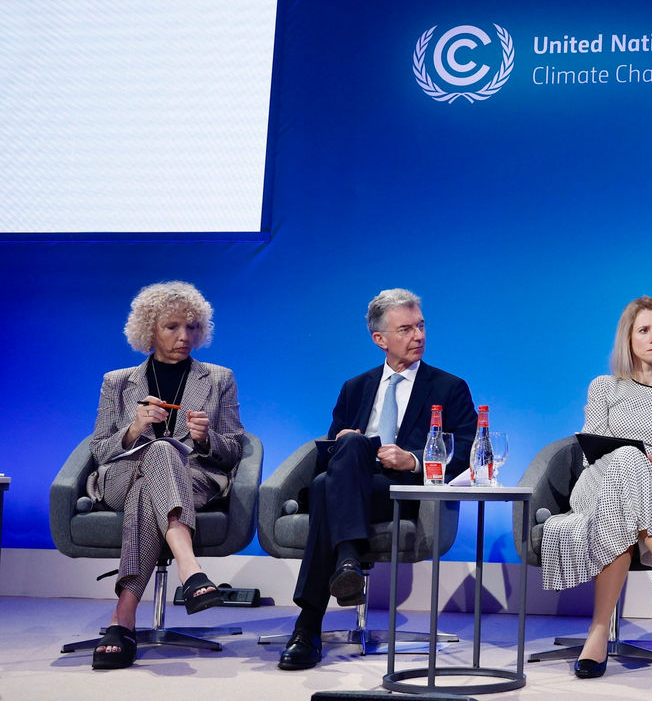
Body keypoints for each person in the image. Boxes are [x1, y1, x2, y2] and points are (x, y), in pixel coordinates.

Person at [278, 288, 478, 671]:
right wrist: (344, 445)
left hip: (403, 492)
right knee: (345, 452)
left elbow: (468, 452)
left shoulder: (449, 388)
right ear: (380, 339)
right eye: (405, 329)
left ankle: (307, 627)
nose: (418, 336)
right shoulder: (356, 387)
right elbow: (329, 452)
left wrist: (413, 461)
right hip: (354, 483)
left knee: (324, 489)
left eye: (421, 326)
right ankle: (346, 564)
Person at [539, 296, 652, 679]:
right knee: (625, 459)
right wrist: (648, 458)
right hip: (595, 484)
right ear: (628, 339)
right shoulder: (604, 386)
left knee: (622, 505)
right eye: (645, 330)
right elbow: (594, 451)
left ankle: (597, 635)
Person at [85, 281, 245, 670]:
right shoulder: (118, 382)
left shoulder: (218, 378)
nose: (184, 336)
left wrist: (207, 440)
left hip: (192, 478)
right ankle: (190, 571)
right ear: (149, 331)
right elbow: (100, 449)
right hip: (121, 476)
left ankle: (122, 620)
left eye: (191, 327)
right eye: (172, 327)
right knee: (156, 450)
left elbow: (235, 448)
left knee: (152, 480)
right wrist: (135, 429)